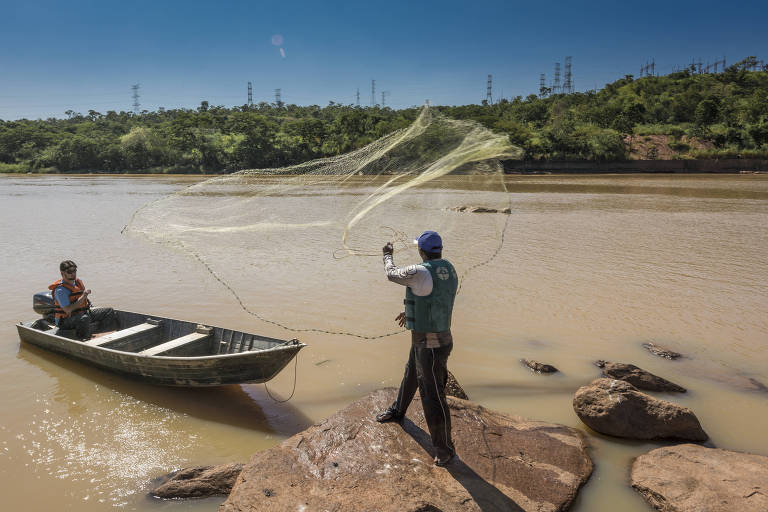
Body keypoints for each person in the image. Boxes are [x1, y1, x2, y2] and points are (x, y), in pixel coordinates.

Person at [376, 230, 459, 466]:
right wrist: (411, 313)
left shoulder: (420, 271)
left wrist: (387, 255)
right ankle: (397, 411)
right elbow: (435, 298)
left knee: (433, 396)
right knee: (411, 373)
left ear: (421, 251)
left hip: (430, 344)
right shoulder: (449, 268)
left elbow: (391, 274)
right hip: (436, 337)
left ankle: (444, 449)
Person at [49, 260, 117, 341]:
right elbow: (68, 310)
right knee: (84, 318)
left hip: (82, 313)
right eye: (70, 271)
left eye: (74, 270)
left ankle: (105, 336)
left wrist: (84, 298)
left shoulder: (77, 283)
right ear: (62, 273)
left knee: (108, 311)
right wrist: (84, 296)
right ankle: (83, 339)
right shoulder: (60, 290)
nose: (73, 273)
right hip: (65, 321)